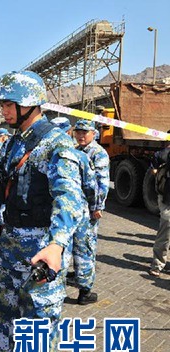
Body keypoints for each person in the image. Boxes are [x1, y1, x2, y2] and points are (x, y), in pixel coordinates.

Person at [0, 71, 84, 352]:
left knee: (39, 320)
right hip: (9, 244)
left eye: (9, 104)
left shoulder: (56, 144)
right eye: (2, 104)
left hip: (40, 248)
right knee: (2, 310)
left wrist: (58, 244)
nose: (3, 111)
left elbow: (69, 199)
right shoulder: (13, 143)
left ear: (29, 103)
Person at [52, 118, 99, 303]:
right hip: (79, 212)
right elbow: (91, 188)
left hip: (57, 213)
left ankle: (57, 291)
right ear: (69, 132)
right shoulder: (78, 155)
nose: (80, 135)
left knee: (61, 250)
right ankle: (84, 292)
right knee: (83, 251)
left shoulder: (44, 154)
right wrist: (93, 207)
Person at [72, 119, 110, 304]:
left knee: (85, 248)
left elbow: (102, 183)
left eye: (84, 132)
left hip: (88, 209)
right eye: (78, 132)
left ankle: (84, 291)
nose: (80, 135)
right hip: (73, 207)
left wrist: (97, 207)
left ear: (93, 134)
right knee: (77, 247)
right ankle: (80, 280)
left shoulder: (98, 153)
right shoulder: (76, 150)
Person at [150, 141, 170, 277]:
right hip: (167, 198)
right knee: (166, 229)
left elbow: (154, 171)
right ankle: (157, 264)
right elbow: (154, 171)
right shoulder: (164, 154)